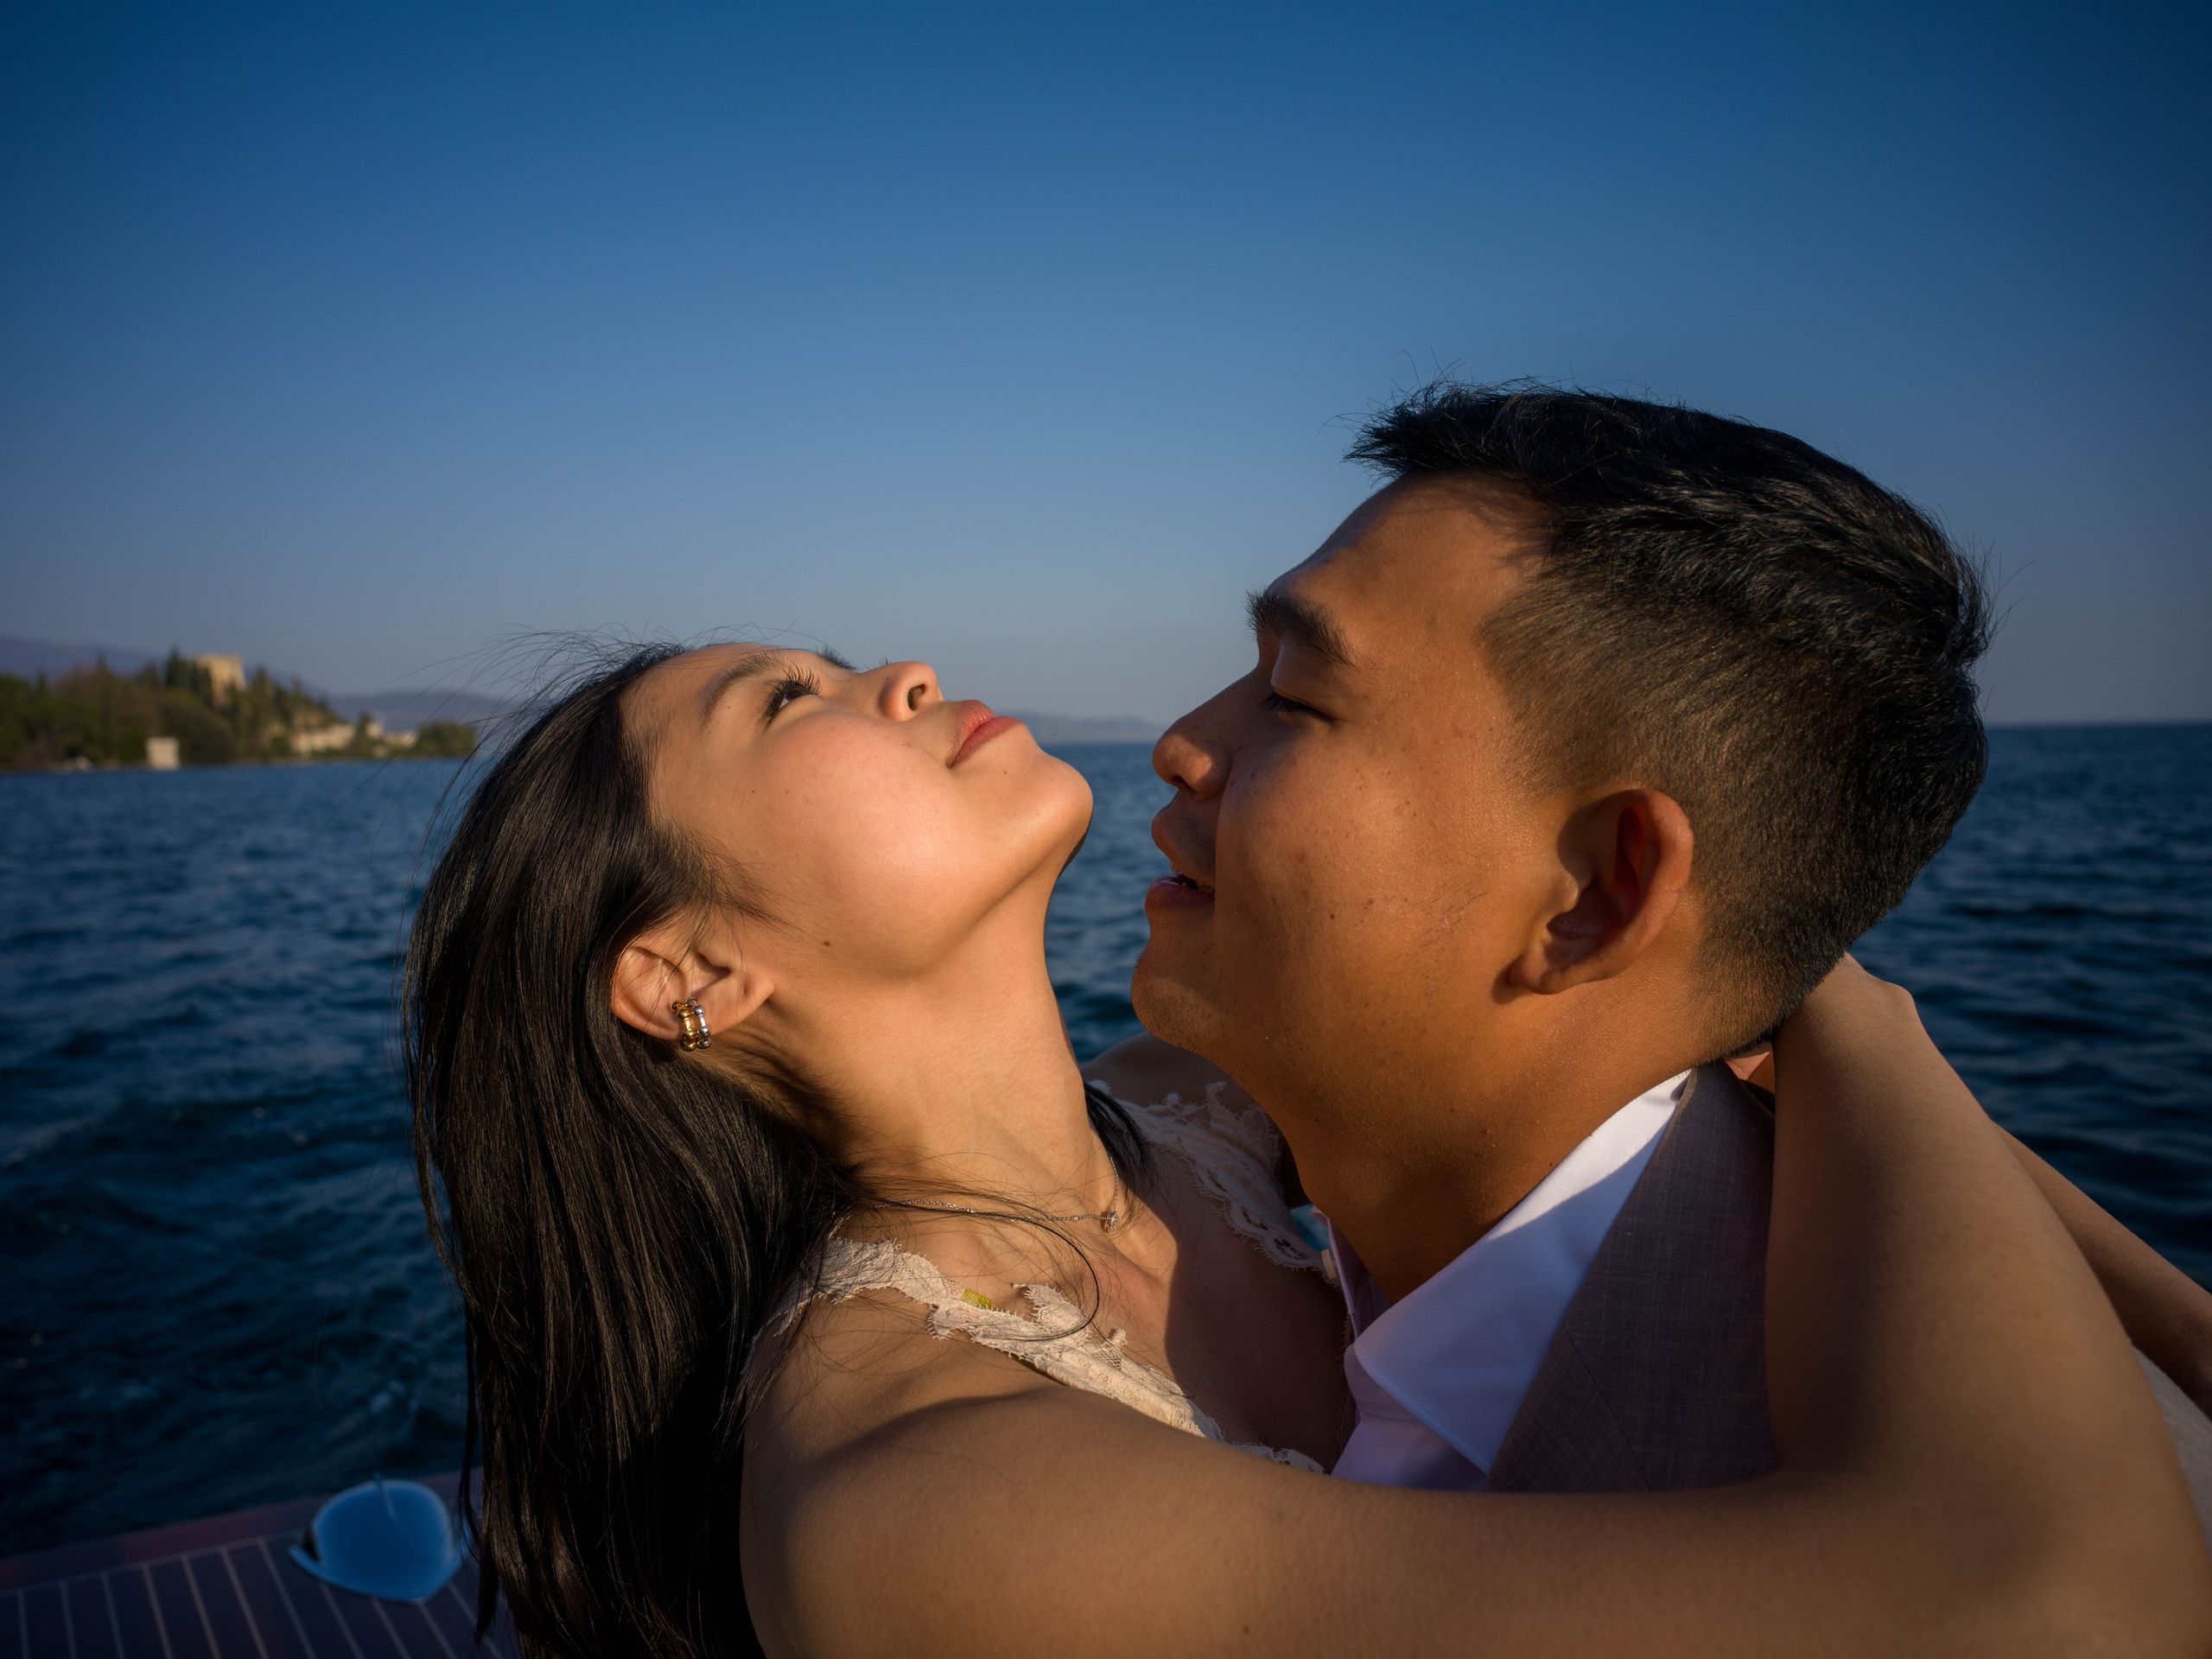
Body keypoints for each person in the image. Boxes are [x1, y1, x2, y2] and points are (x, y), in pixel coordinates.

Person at [404, 435, 2212, 1659]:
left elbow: (1692, 1039)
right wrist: (1846, 1003)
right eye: (786, 699)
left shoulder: (1202, 1106)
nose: (899, 672)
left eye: (1291, 693)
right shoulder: (904, 1484)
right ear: (689, 974)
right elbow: (2043, 1615)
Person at [1109, 382, 2212, 1508]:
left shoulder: (1853, 1510)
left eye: (1295, 695)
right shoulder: (1338, 1165)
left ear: (1598, 894)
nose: (1181, 744)